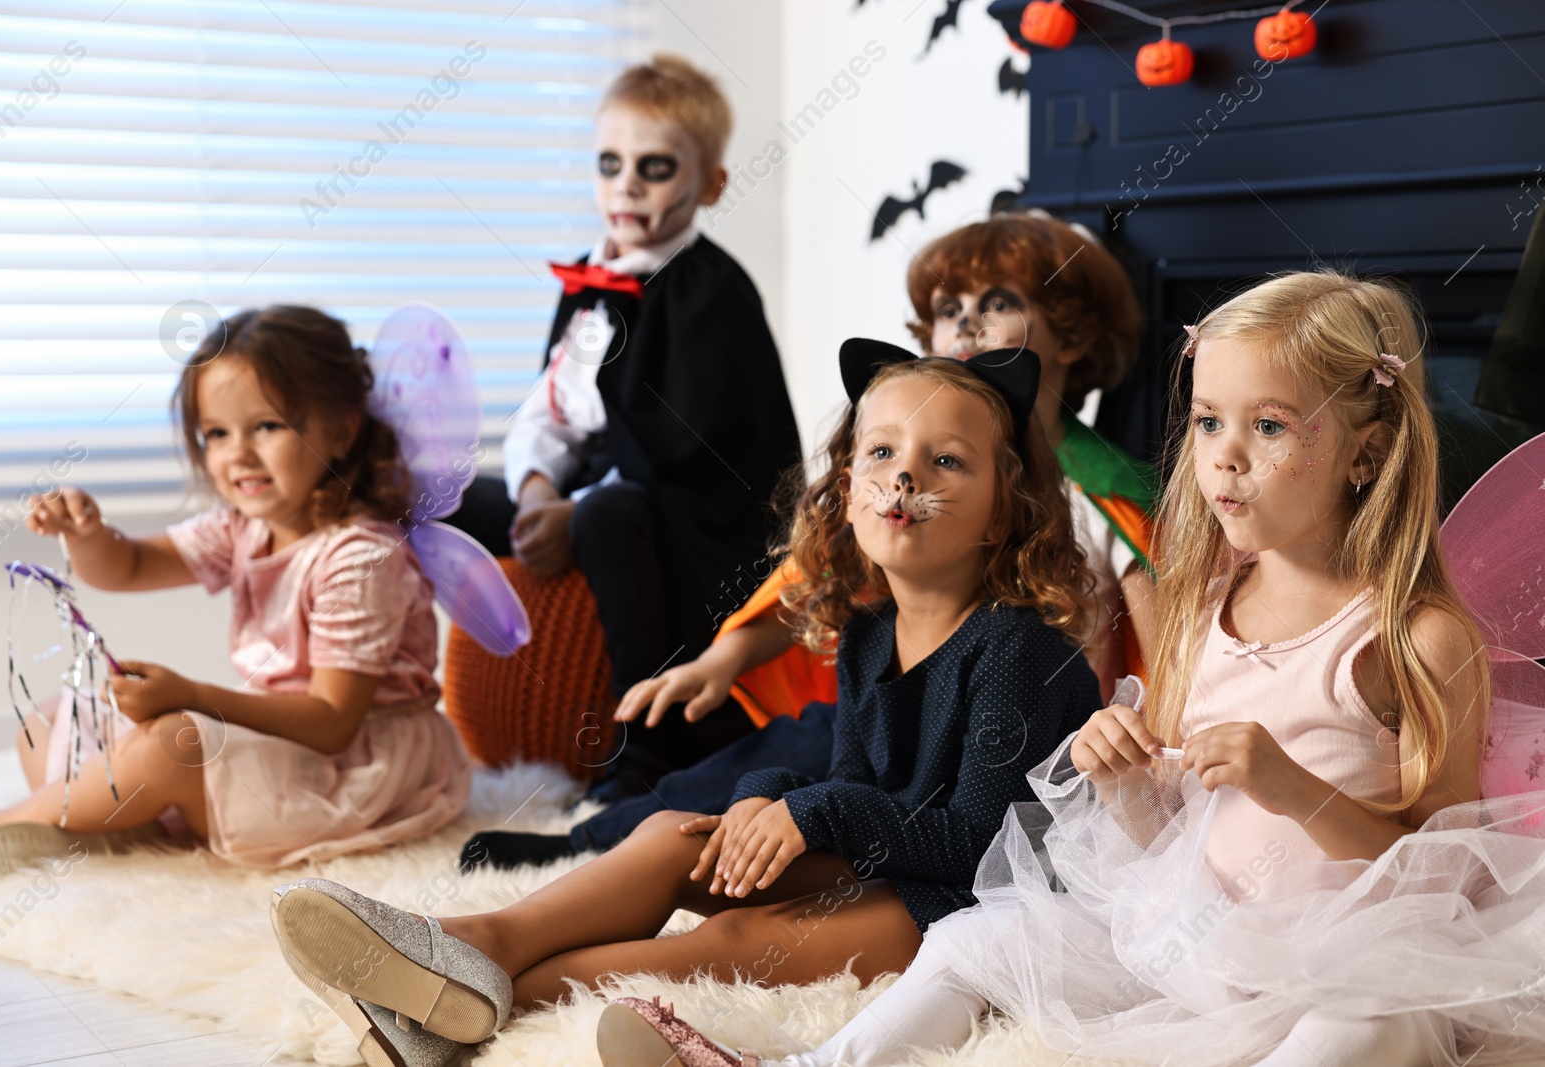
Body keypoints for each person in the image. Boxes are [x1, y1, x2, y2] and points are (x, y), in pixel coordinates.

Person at [601, 269, 1545, 1067]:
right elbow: (1173, 823)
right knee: (976, 939)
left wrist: (1289, 786)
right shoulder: (1207, 610)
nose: (1224, 459)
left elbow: (1450, 871)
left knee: (1366, 1033)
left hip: (1353, 955)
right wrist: (1129, 783)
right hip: (1201, 930)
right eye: (1207, 422)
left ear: (1365, 453)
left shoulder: (1416, 637)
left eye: (1270, 425)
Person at [268, 344, 1103, 1065]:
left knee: (725, 943)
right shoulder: (867, 634)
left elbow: (981, 847)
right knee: (675, 835)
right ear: (848, 487)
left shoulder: (1016, 649)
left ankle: (469, 998)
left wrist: (818, 812)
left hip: (973, 908)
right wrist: (763, 801)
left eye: (946, 460)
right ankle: (478, 942)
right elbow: (853, 777)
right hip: (894, 868)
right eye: (881, 451)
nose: (905, 476)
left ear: (1004, 513)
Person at [463, 212, 1158, 871]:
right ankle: (595, 841)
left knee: (831, 789)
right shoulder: (905, 470)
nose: (967, 321)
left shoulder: (1101, 493)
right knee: (762, 759)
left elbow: (1170, 645)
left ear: (1070, 337)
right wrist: (726, 658)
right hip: (896, 721)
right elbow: (825, 573)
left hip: (1003, 742)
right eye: (949, 308)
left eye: (996, 301)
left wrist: (1155, 747)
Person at [0, 306, 470, 872]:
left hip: (354, 762)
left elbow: (333, 722)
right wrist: (89, 533)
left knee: (174, 739)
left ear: (341, 432)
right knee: (47, 721)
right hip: (281, 737)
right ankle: (105, 820)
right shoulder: (243, 527)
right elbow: (124, 567)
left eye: (269, 426)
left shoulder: (361, 556)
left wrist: (192, 697)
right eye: (217, 434)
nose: (238, 454)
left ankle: (18, 824)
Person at [444, 53, 801, 790]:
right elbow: (553, 406)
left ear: (709, 184)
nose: (626, 185)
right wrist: (540, 487)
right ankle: (427, 710)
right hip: (603, 484)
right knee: (449, 496)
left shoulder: (710, 292)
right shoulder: (591, 277)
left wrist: (572, 509)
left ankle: (649, 742)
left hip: (704, 516)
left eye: (656, 166)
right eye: (610, 163)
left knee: (607, 513)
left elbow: (686, 448)